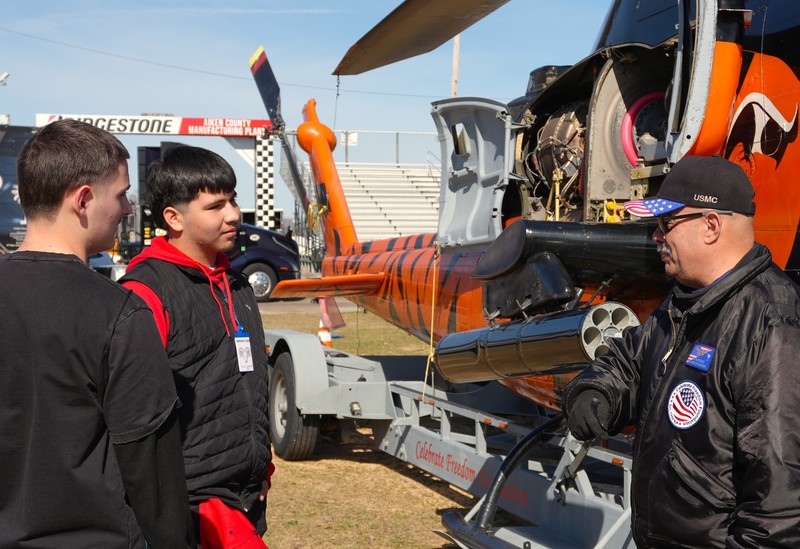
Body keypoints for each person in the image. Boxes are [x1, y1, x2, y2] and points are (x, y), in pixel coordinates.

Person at [564, 155, 800, 547]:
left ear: (710, 226)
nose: (656, 236)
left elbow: (780, 504)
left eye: (665, 224)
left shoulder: (773, 325)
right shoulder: (685, 302)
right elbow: (631, 361)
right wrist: (596, 392)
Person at [0, 119, 192, 547]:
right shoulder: (119, 313)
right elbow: (153, 474)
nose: (127, 209)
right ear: (83, 200)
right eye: (121, 194)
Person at [120, 145, 272, 546]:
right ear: (174, 218)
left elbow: (245, 380)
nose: (234, 214)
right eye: (215, 205)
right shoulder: (145, 292)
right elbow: (131, 416)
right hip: (185, 510)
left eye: (233, 200)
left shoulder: (236, 284)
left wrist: (262, 466)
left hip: (246, 497)